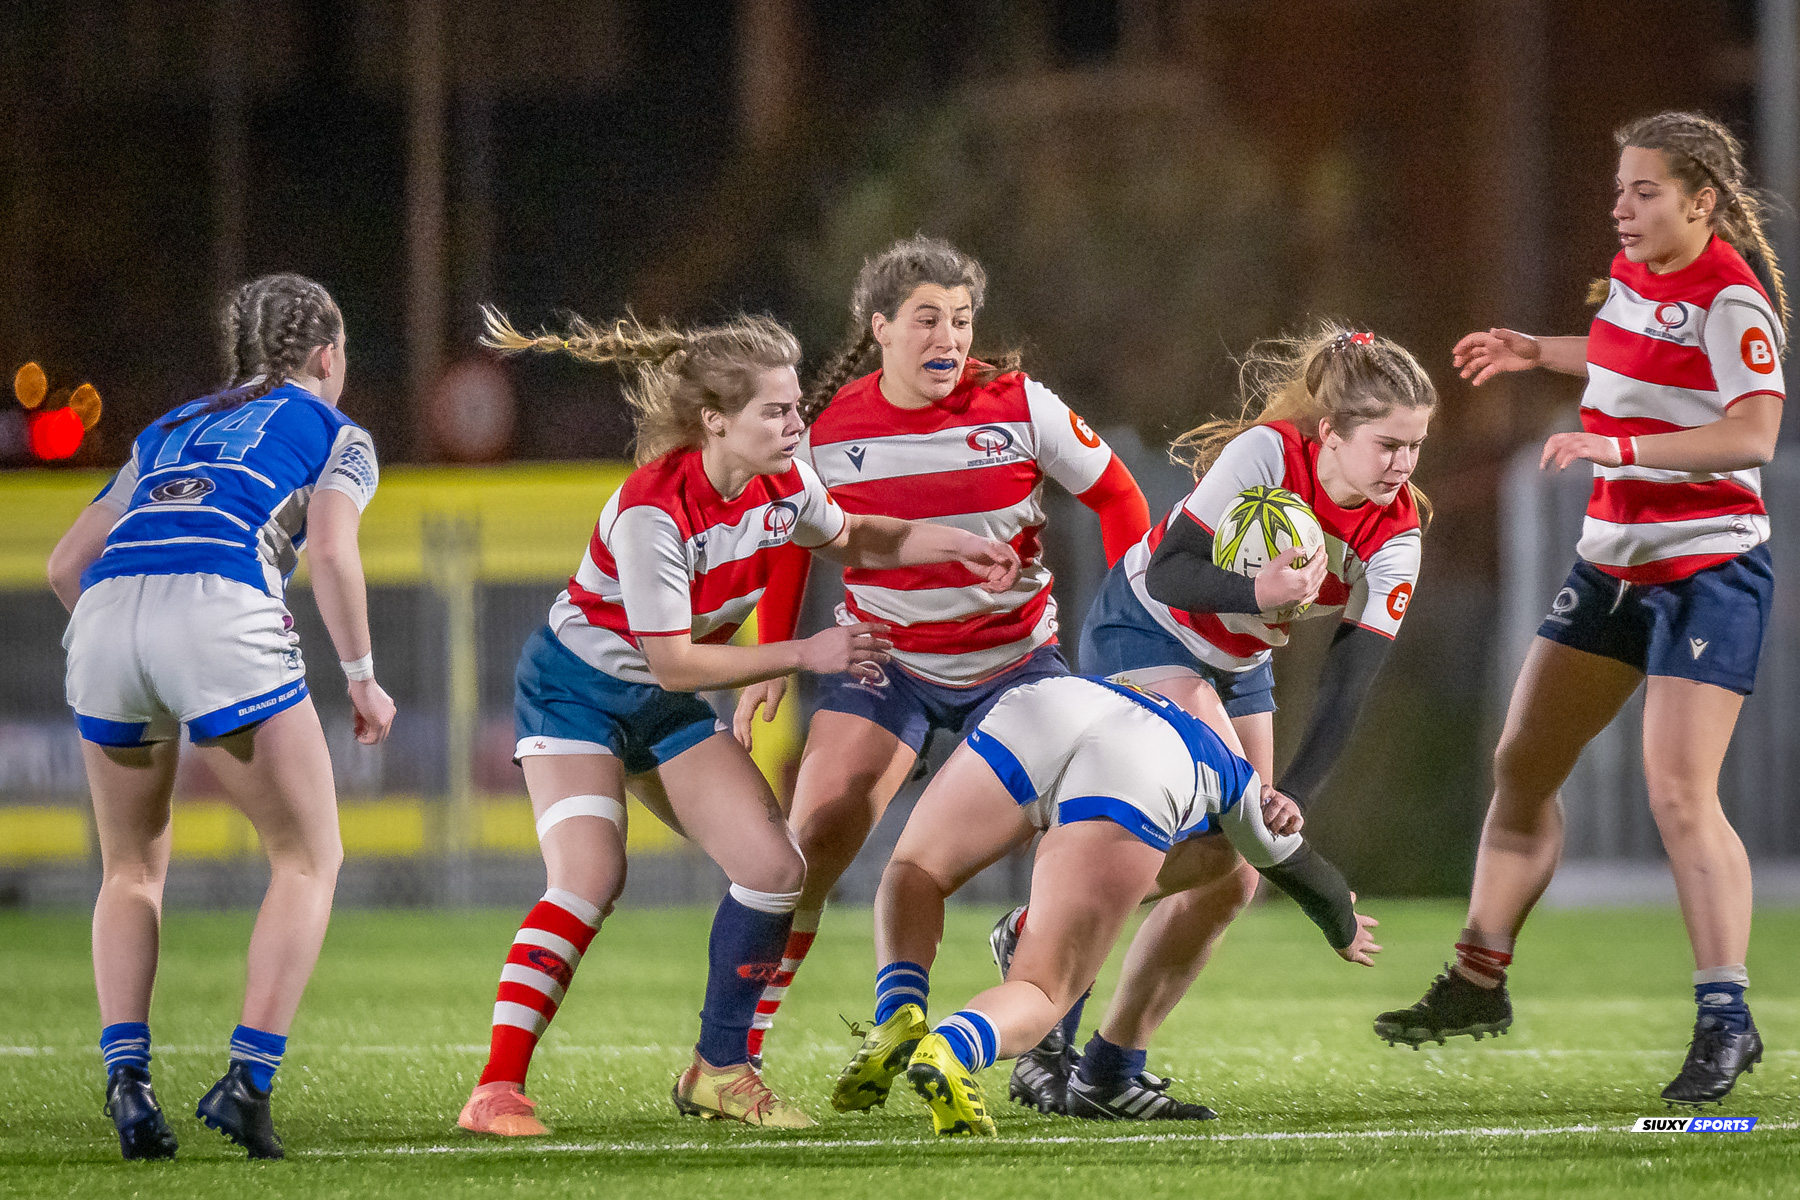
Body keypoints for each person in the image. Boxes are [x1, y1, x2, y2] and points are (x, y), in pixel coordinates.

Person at [455, 309, 1020, 1135]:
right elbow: (677, 662)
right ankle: (495, 1089)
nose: (797, 425)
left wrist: (958, 543)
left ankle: (719, 1070)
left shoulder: (784, 483)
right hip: (576, 694)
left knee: (774, 868)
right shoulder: (654, 511)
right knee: (590, 876)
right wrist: (806, 653)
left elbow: (856, 535)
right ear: (715, 420)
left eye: (797, 408)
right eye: (776, 412)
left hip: (658, 701)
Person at [1375, 111, 1787, 1107]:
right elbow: (1623, 355)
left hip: (1705, 574)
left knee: (1680, 794)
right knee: (1522, 763)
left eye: (1646, 190)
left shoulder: (1732, 301)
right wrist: (1537, 349)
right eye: (1620, 189)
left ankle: (1726, 1019)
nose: (1624, 205)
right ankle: (1480, 979)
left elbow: (1757, 435)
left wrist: (1624, 451)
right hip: (1610, 565)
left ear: (1702, 201)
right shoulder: (1631, 275)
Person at [992, 324, 1434, 1119]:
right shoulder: (1268, 453)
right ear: (1331, 435)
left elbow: (1350, 677)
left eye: (1415, 447)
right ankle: (1046, 937)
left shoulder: (1396, 533)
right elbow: (1170, 569)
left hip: (1237, 659)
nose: (1402, 467)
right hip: (1147, 624)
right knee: (1235, 828)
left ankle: (1109, 1067)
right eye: (1388, 445)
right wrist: (1260, 597)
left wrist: (1295, 789)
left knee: (1235, 876)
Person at [729, 235, 1150, 1068]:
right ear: (880, 327)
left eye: (961, 320)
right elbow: (785, 541)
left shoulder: (1022, 405)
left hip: (1017, 666)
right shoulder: (829, 431)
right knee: (809, 843)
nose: (950, 339)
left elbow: (1119, 497)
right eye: (928, 320)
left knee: (1086, 843)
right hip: (887, 663)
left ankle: (1038, 1017)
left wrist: (1129, 629)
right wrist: (775, 651)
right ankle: (738, 1050)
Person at [47, 273, 396, 1161]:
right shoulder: (333, 430)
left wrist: (134, 644)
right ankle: (247, 1083)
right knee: (309, 855)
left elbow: (63, 566)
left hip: (106, 614)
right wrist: (360, 677)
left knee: (129, 867)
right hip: (218, 605)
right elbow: (329, 548)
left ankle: (129, 1086)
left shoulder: (167, 427)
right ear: (326, 355)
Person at [830, 674, 1377, 1136]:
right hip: (1140, 771)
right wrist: (1343, 924)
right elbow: (1293, 861)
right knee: (1045, 989)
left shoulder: (1130, 687)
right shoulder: (1230, 771)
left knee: (915, 871)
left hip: (1049, 703)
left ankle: (896, 1012)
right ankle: (951, 1048)